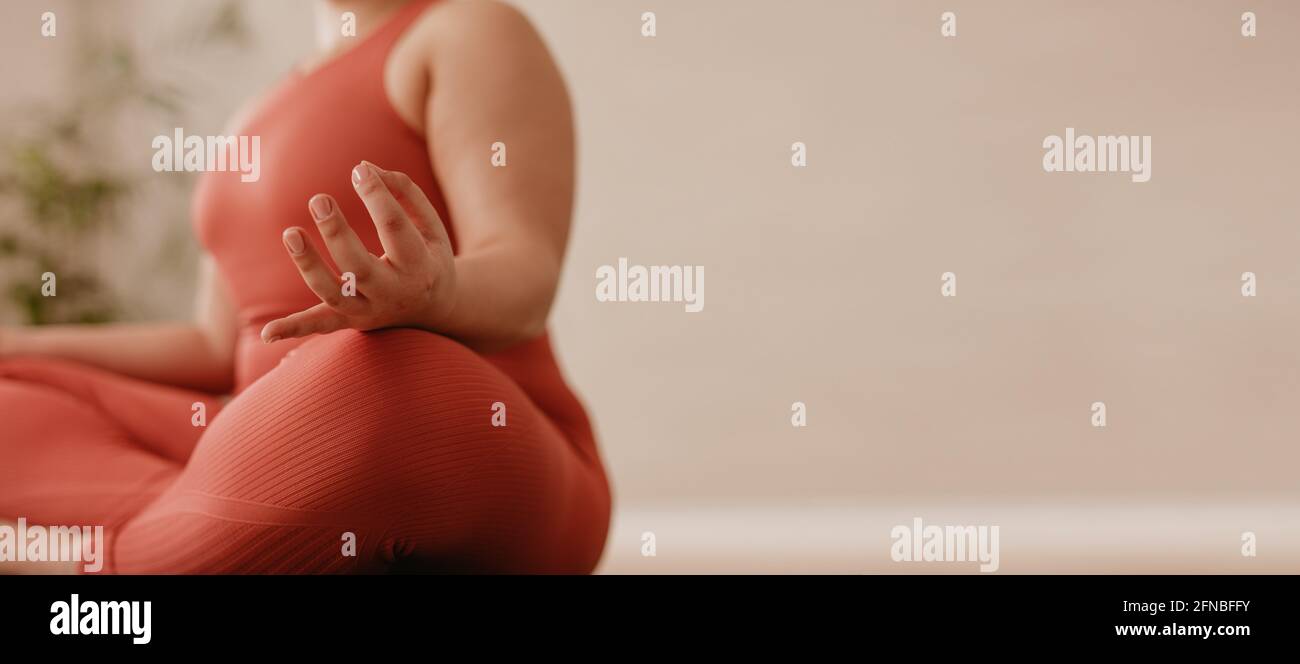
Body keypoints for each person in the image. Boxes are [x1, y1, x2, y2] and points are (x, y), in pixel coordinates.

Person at [0, 0, 610, 573]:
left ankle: (110, 560)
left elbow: (527, 274)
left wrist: (431, 298)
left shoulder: (464, 29)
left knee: (370, 370)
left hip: (457, 434)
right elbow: (218, 345)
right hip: (260, 441)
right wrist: (21, 348)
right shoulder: (255, 112)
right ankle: (191, 534)